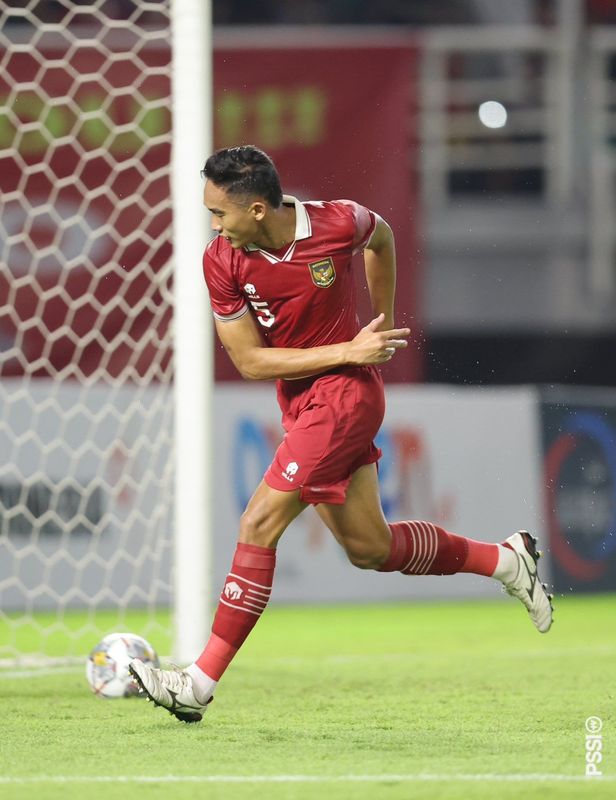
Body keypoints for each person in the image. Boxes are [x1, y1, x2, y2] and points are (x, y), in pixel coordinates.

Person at [129, 145, 553, 723]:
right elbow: (251, 362)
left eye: (220, 213)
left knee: (258, 524)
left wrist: (381, 319)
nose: (213, 226)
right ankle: (505, 561)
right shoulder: (221, 259)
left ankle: (198, 683)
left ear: (257, 209)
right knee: (370, 549)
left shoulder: (335, 221)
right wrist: (350, 346)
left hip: (345, 399)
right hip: (303, 403)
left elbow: (381, 238)